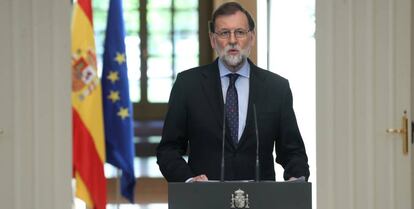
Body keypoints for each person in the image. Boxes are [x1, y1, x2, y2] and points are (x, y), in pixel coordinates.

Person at [156, 2, 309, 182]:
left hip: (261, 201)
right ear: (213, 40)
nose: (232, 40)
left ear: (251, 37)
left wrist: (296, 179)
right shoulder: (188, 85)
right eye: (224, 33)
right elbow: (168, 150)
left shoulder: (277, 88)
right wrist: (190, 181)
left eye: (240, 32)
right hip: (205, 200)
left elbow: (293, 152)